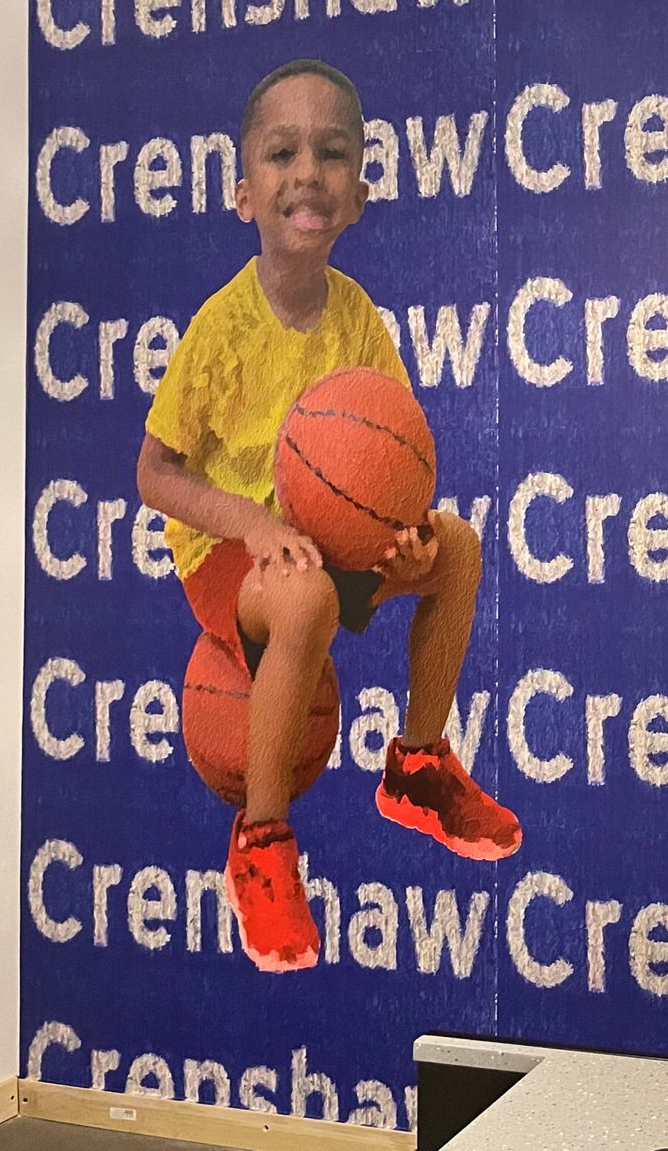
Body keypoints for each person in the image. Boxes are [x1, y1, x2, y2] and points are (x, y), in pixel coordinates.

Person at [135, 58, 520, 973]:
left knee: (458, 548)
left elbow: (392, 464)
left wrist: (412, 529)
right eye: (281, 153)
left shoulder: (358, 320)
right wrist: (251, 527)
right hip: (230, 554)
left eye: (332, 153)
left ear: (358, 194)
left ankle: (418, 768)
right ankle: (262, 847)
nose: (307, 171)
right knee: (304, 599)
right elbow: (154, 474)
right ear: (243, 193)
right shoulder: (221, 329)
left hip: (324, 540)